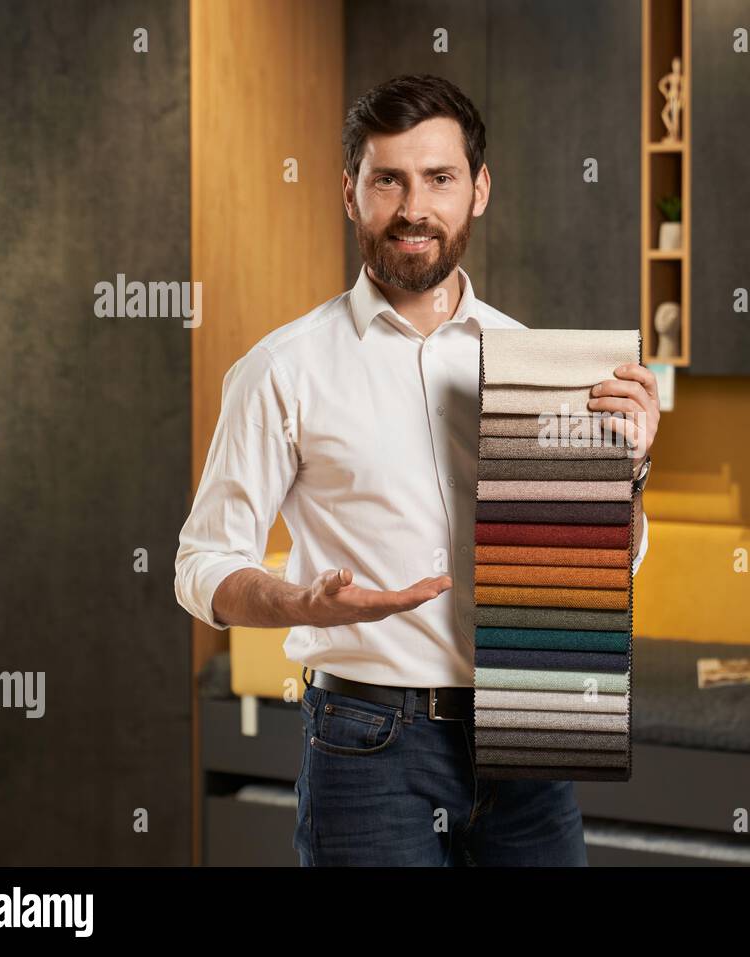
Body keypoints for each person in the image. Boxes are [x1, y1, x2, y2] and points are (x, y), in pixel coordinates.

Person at [174, 73, 659, 866]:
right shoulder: (282, 369)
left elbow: (606, 558)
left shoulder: (542, 363)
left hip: (531, 728)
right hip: (368, 744)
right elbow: (200, 565)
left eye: (439, 177)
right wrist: (305, 602)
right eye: (387, 179)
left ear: (479, 191)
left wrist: (627, 473)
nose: (412, 207)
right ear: (349, 192)